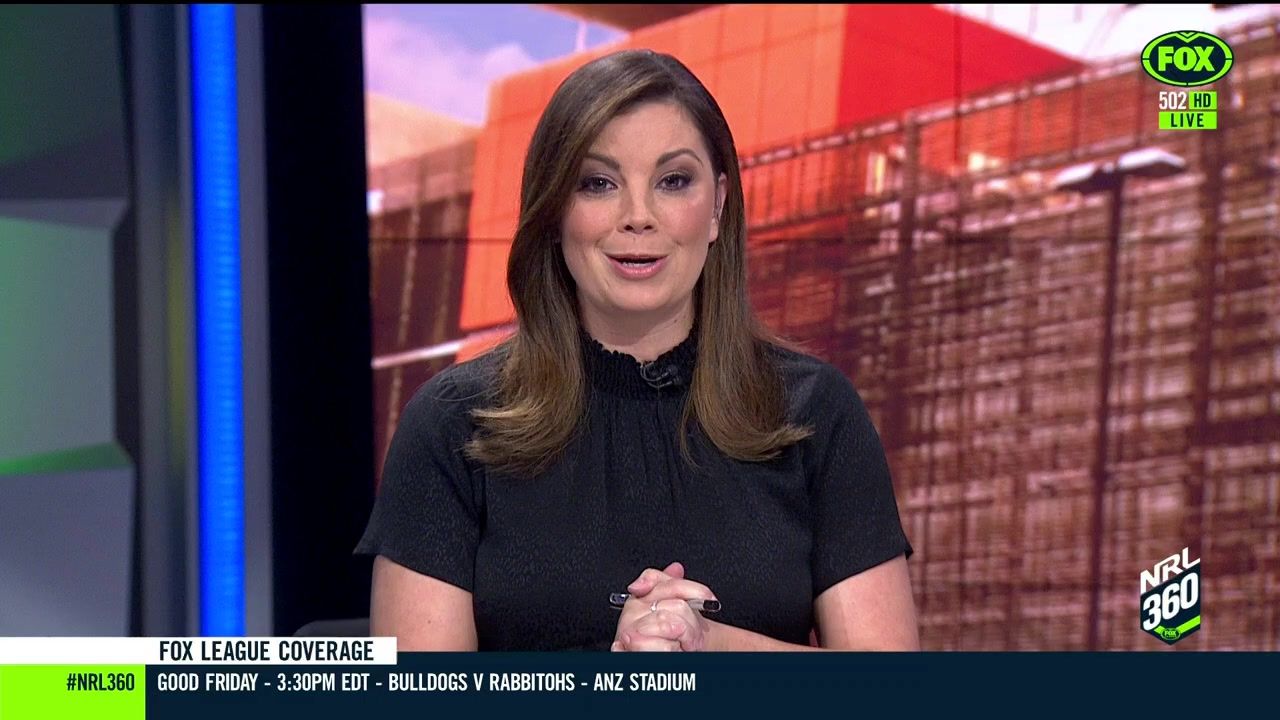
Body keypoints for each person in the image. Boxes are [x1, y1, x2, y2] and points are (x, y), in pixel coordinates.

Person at [355, 49, 918, 651]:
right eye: (598, 184)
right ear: (555, 211)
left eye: (673, 181)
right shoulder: (453, 424)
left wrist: (710, 646)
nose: (638, 216)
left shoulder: (813, 412)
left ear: (717, 207)